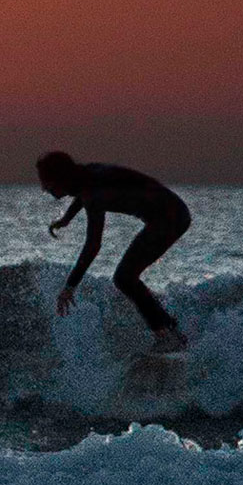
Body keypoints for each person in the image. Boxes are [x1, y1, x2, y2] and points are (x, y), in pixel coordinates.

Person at [37, 150, 190, 352]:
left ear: (61, 179)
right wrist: (67, 219)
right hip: (168, 214)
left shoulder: (93, 193)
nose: (43, 188)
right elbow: (81, 194)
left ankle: (167, 335)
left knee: (124, 277)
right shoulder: (86, 176)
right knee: (126, 277)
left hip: (170, 218)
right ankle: (172, 330)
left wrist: (70, 287)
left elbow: (93, 245)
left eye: (46, 182)